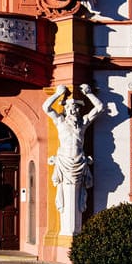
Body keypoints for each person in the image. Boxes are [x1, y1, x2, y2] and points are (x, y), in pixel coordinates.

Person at [43, 83, 103, 237]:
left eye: (76, 108)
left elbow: (100, 108)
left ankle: (75, 231)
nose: (73, 110)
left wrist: (89, 93)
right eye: (70, 108)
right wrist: (57, 94)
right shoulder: (60, 122)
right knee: (63, 195)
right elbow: (46, 108)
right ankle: (68, 231)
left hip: (78, 162)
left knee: (79, 197)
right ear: (65, 110)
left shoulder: (82, 123)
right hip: (64, 161)